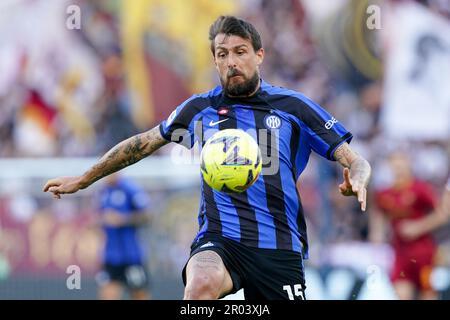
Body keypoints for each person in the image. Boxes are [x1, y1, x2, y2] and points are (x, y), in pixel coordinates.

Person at [43, 16, 371, 300]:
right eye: (222, 54)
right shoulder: (200, 109)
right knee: (200, 285)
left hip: (279, 245)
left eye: (240, 52)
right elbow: (142, 145)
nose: (231, 62)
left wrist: (356, 175)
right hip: (220, 239)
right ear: (215, 61)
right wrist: (86, 177)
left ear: (259, 55)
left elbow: (355, 159)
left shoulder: (293, 107)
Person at [370, 152, 448, 300]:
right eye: (394, 166)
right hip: (400, 253)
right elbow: (378, 216)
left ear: (408, 166)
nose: (398, 170)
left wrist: (418, 227)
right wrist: (377, 234)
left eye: (401, 166)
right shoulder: (384, 194)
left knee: (428, 293)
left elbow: (442, 214)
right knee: (401, 293)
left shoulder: (420, 189)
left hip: (424, 252)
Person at [94, 173, 152, 300]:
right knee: (107, 295)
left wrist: (123, 219)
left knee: (139, 294)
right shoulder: (102, 192)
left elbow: (147, 216)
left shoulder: (131, 189)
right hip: (110, 256)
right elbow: (98, 217)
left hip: (131, 256)